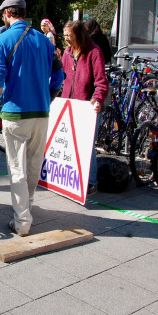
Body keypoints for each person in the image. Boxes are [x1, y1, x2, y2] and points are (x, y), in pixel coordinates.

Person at [0, 0, 64, 237]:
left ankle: (22, 221)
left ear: (7, 14)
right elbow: (59, 76)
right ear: (23, 13)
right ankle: (26, 206)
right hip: (41, 113)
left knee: (16, 167)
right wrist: (47, 98)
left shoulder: (1, 40)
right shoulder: (45, 41)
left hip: (15, 114)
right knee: (34, 164)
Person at [61, 20, 109, 195]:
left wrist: (97, 99)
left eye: (69, 36)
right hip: (69, 105)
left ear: (79, 35)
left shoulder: (94, 53)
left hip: (86, 106)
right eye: (64, 35)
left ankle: (91, 182)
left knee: (87, 145)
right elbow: (64, 78)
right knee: (69, 144)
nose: (66, 39)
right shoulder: (67, 53)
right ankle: (73, 180)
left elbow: (101, 82)